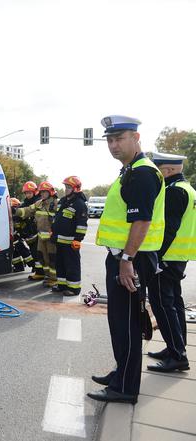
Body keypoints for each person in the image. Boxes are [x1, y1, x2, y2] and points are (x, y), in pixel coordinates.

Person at [88, 115, 165, 405]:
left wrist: (126, 259)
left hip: (132, 258)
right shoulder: (130, 171)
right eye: (109, 139)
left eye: (119, 138)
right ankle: (122, 373)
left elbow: (142, 221)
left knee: (128, 324)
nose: (113, 144)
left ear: (136, 139)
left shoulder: (142, 173)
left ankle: (126, 388)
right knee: (119, 322)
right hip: (124, 256)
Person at [145, 152, 194, 372]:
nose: (157, 173)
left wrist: (157, 257)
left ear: (168, 170)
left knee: (163, 305)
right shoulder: (188, 189)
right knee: (175, 304)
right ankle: (176, 346)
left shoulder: (173, 192)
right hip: (178, 256)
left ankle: (177, 355)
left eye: (159, 169)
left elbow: (169, 229)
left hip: (166, 257)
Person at [14, 181, 58, 287]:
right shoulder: (39, 203)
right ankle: (47, 276)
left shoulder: (56, 204)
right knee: (42, 258)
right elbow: (28, 210)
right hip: (41, 237)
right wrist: (15, 210)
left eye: (44, 192)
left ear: (50, 192)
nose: (42, 194)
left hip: (51, 238)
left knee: (52, 259)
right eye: (41, 192)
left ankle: (54, 278)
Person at [51, 176, 88, 296]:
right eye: (65, 187)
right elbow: (57, 219)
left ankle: (73, 288)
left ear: (75, 189)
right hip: (60, 241)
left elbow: (82, 224)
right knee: (60, 264)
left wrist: (78, 239)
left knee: (72, 266)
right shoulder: (63, 201)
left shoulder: (80, 204)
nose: (66, 189)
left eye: (68, 187)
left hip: (71, 243)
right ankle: (62, 285)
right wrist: (54, 233)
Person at [19, 181, 44, 279]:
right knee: (34, 252)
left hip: (38, 232)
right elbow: (20, 212)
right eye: (26, 193)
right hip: (30, 233)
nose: (28, 195)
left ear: (34, 192)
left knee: (38, 253)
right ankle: (39, 271)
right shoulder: (25, 202)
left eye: (30, 193)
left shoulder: (38, 202)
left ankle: (40, 273)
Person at [10, 197, 33, 272]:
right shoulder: (10, 216)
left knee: (24, 251)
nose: (15, 209)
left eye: (16, 207)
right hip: (14, 237)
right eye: (13, 207)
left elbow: (23, 226)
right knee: (14, 252)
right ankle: (19, 267)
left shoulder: (19, 216)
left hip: (19, 236)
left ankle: (33, 265)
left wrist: (22, 233)